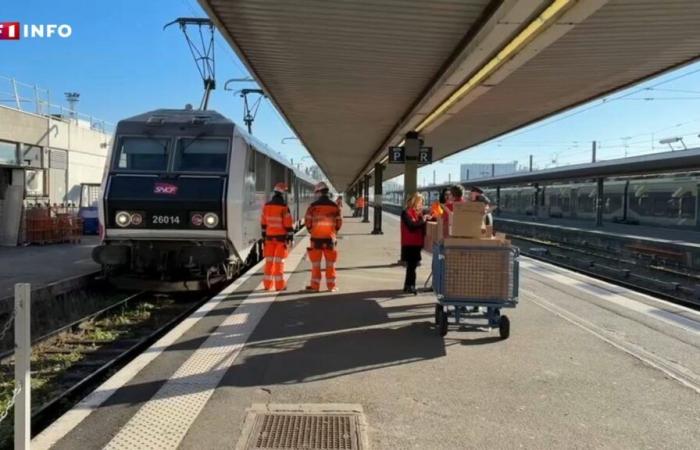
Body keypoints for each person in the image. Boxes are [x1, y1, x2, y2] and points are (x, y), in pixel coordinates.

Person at [305, 181, 343, 292]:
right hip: (330, 239)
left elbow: (308, 222)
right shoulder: (334, 207)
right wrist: (333, 232)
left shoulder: (312, 207)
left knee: (316, 264)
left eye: (316, 192)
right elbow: (339, 223)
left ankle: (315, 286)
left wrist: (312, 231)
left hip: (316, 239)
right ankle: (331, 286)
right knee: (330, 264)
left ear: (319, 192)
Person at [260, 182, 294, 291]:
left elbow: (263, 223)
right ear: (283, 194)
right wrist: (290, 237)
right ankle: (279, 286)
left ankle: (267, 285)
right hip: (280, 239)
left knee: (269, 262)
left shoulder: (267, 206)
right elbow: (288, 224)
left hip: (269, 238)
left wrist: (264, 236)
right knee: (279, 263)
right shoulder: (284, 207)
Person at [401, 193, 427, 295]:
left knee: (412, 266)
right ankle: (410, 286)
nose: (422, 204)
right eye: (421, 202)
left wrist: (425, 217)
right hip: (410, 243)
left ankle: (408, 285)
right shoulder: (406, 213)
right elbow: (411, 226)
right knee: (412, 266)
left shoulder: (418, 213)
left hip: (416, 243)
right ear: (415, 202)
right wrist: (423, 220)